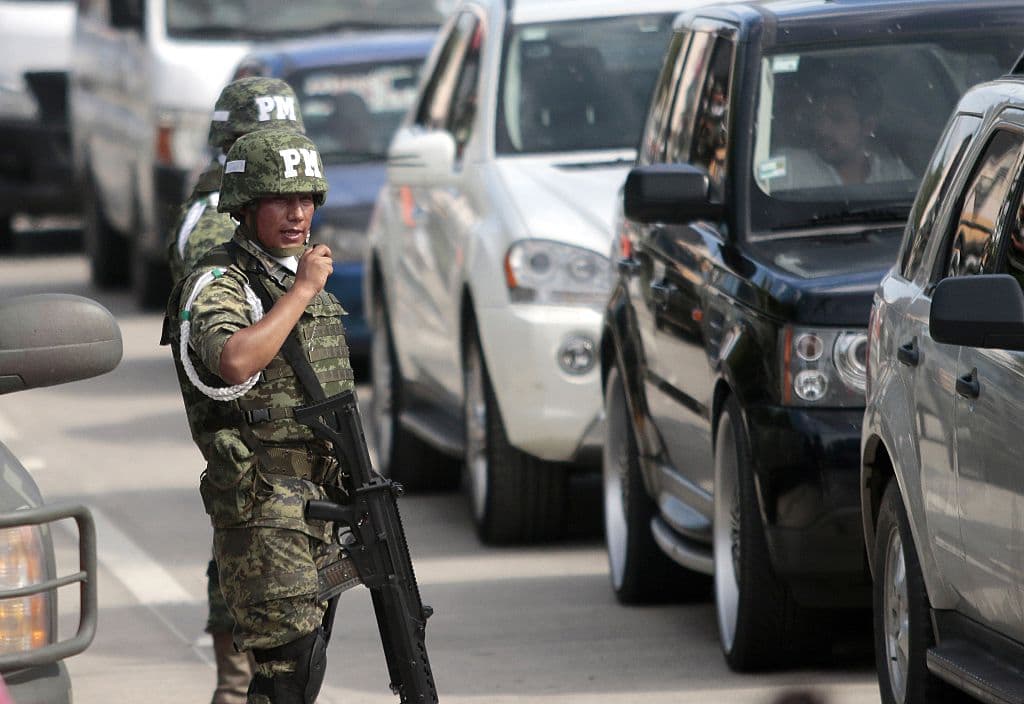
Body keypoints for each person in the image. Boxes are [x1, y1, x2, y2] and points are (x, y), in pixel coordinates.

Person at [163, 128, 353, 704]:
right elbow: (234, 359)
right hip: (264, 507)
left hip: (319, 500)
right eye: (280, 200)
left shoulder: (288, 273)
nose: (297, 215)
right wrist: (300, 292)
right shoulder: (221, 281)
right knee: (283, 677)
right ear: (247, 208)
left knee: (307, 667)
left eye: (306, 200)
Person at [162, 76, 305, 704]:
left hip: (282, 427)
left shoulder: (255, 205)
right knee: (245, 539)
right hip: (243, 418)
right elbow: (224, 338)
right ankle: (235, 681)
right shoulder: (214, 224)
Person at [167, 76, 306, 284]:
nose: (285, 153)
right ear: (235, 144)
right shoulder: (216, 222)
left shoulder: (276, 207)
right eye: (268, 145)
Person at [768, 68, 912, 191]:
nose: (822, 130)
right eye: (818, 118)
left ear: (868, 126)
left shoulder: (897, 175)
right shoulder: (788, 168)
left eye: (838, 119)